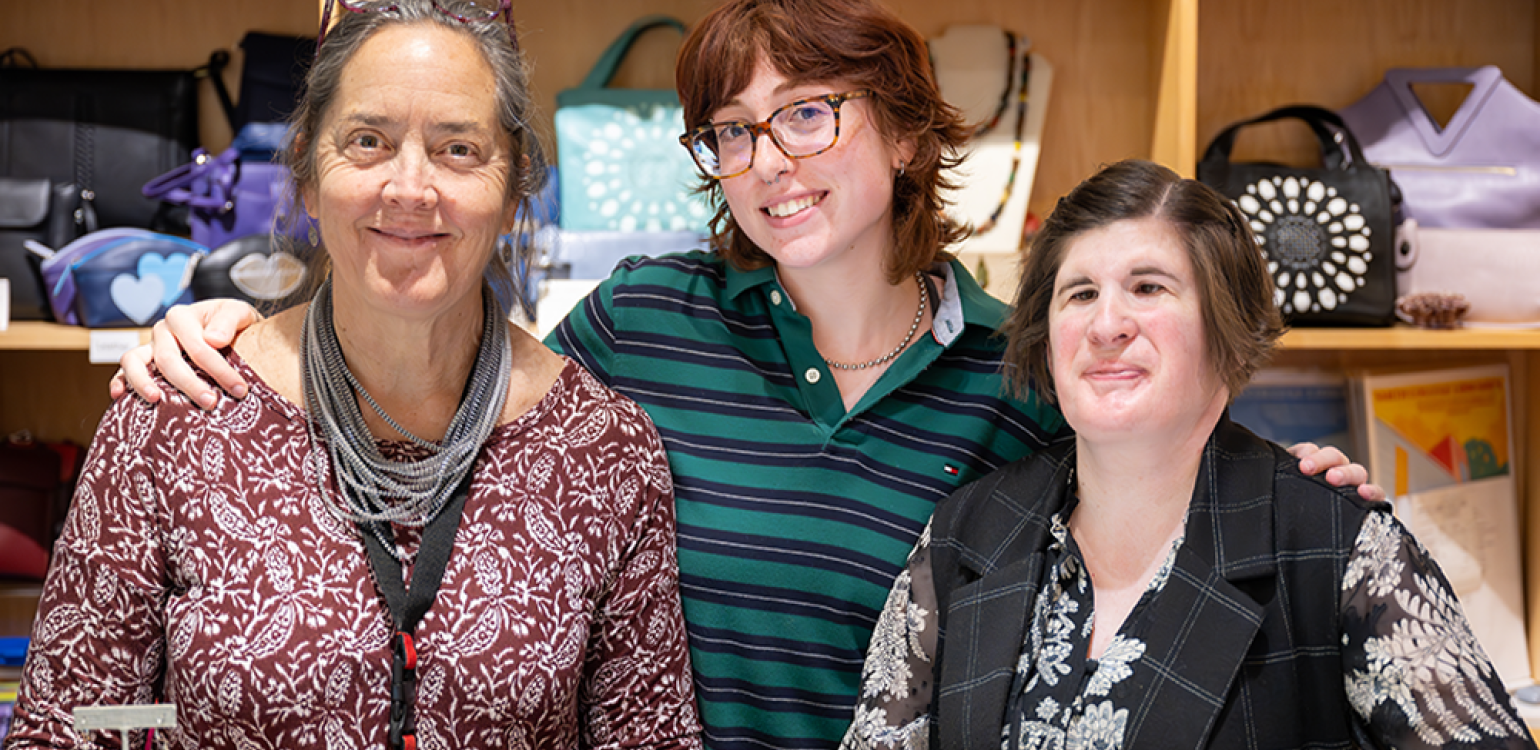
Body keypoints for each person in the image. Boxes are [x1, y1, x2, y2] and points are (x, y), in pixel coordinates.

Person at [110, 2, 1381, 748]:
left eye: (809, 113)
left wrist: (1281, 483)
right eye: (730, 132)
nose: (770, 159)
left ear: (903, 128)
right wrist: (226, 331)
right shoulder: (648, 318)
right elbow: (432, 373)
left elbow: (1158, 472)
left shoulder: (1015, 369)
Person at [6, 2, 701, 748]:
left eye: (459, 149)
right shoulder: (175, 415)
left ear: (515, 190)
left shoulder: (603, 451)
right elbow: (77, 723)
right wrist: (168, 725)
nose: (410, 188)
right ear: (308, 175)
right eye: (367, 142)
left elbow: (644, 736)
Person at [839, 159, 1535, 750]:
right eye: (1079, 294)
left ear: (1224, 325)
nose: (1107, 324)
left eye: (1149, 288)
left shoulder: (1339, 546)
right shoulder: (964, 536)